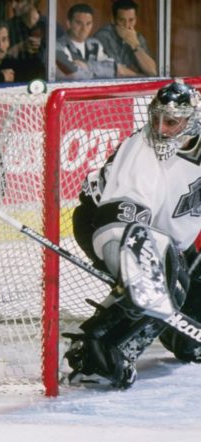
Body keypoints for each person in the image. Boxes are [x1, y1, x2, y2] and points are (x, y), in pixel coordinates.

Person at [65, 80, 201, 389]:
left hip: (171, 238)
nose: (161, 128)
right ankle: (98, 348)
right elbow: (121, 224)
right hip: (105, 223)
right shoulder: (144, 150)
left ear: (192, 121)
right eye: (156, 118)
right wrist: (139, 279)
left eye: (171, 121)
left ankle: (170, 328)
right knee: (164, 273)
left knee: (191, 343)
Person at [94, 0, 157, 78]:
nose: (127, 25)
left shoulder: (137, 37)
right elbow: (117, 71)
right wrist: (140, 76)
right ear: (113, 20)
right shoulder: (103, 36)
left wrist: (135, 45)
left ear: (136, 20)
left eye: (131, 20)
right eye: (122, 20)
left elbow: (152, 72)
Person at [55, 3, 115, 81]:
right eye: (79, 23)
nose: (84, 28)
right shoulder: (57, 46)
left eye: (88, 24)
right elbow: (73, 75)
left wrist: (87, 66)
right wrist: (99, 70)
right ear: (68, 23)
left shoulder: (95, 44)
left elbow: (112, 69)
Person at [7, 0, 62, 75]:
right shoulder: (8, 28)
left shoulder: (52, 28)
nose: (13, 6)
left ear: (31, 1)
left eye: (18, 1)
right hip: (15, 84)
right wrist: (19, 48)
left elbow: (63, 62)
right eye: (11, 2)